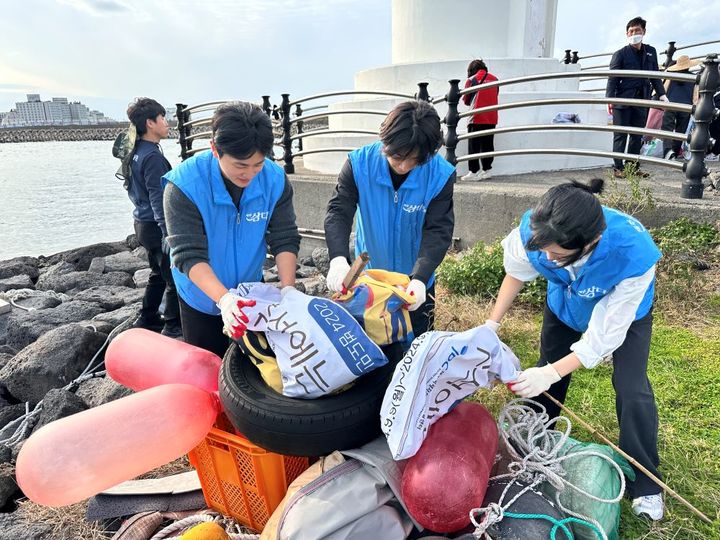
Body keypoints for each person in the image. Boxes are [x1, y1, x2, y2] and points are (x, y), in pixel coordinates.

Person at [487, 178, 665, 521]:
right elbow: (517, 273)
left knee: (632, 388)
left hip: (624, 317)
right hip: (566, 303)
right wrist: (491, 325)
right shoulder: (539, 230)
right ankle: (531, 447)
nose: (547, 259)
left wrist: (553, 371)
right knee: (546, 378)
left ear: (592, 242)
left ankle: (647, 481)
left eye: (557, 255)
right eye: (544, 252)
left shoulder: (633, 253)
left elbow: (602, 338)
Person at [163, 102, 300, 358]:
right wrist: (224, 300)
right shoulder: (184, 186)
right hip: (200, 296)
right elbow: (187, 254)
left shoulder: (274, 180)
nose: (249, 174)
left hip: (250, 291)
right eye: (240, 165)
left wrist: (289, 289)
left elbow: (284, 237)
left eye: (258, 164)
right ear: (215, 149)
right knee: (209, 365)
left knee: (256, 367)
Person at [324, 100, 455, 339]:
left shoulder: (439, 174)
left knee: (417, 349)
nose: (404, 166)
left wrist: (420, 278)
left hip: (414, 283)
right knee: (373, 351)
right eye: (397, 156)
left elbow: (438, 230)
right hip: (371, 281)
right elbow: (338, 212)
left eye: (415, 160)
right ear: (385, 141)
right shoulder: (359, 164)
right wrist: (338, 259)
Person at [125, 98, 182, 338]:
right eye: (162, 118)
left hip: (142, 222)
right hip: (156, 225)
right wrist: (168, 232)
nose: (167, 123)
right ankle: (172, 327)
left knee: (158, 274)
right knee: (173, 278)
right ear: (150, 123)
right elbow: (158, 197)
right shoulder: (152, 158)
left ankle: (147, 317)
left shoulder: (136, 151)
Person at [606, 16, 667, 178]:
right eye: (631, 31)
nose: (634, 33)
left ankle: (632, 167)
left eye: (637, 30)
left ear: (644, 32)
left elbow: (655, 75)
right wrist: (610, 99)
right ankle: (618, 168)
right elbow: (612, 79)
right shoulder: (620, 54)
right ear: (627, 34)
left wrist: (662, 94)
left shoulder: (651, 52)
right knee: (620, 134)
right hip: (623, 100)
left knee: (636, 135)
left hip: (642, 99)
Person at [461, 59, 499, 181]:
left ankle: (473, 171)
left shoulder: (472, 80)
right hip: (491, 116)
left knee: (474, 145)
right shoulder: (495, 79)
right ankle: (487, 170)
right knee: (488, 144)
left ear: (471, 70)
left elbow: (466, 100)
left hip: (476, 116)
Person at [662, 55, 700, 160]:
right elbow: (696, 95)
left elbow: (664, 89)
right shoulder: (694, 77)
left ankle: (667, 151)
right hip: (686, 107)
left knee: (667, 128)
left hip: (671, 104)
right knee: (681, 130)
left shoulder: (671, 76)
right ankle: (675, 150)